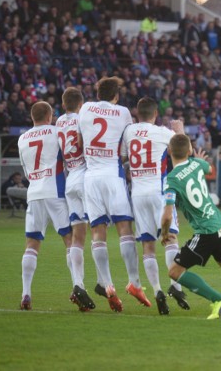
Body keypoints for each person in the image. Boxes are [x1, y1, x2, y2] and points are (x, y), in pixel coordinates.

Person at [161, 134, 221, 319]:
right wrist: (197, 160)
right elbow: (209, 168)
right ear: (190, 150)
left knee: (175, 271)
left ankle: (217, 299)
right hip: (220, 224)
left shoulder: (171, 179)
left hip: (205, 232)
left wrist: (165, 233)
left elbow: (167, 215)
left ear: (168, 151)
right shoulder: (197, 164)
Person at [79, 76, 148, 312]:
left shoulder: (86, 108)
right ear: (116, 96)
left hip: (90, 177)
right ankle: (135, 282)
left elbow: (80, 139)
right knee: (124, 230)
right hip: (112, 175)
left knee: (97, 232)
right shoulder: (123, 113)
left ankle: (107, 285)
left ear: (98, 94)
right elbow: (127, 149)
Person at [120, 97, 189, 315]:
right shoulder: (162, 133)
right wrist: (180, 131)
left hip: (138, 194)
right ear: (155, 115)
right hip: (159, 192)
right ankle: (176, 287)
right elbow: (183, 151)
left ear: (137, 114)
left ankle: (157, 290)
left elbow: (123, 156)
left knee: (147, 246)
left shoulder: (129, 132)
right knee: (170, 240)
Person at [17, 102, 77, 310]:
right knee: (69, 240)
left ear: (32, 117)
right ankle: (77, 287)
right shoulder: (56, 131)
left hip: (34, 193)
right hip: (56, 191)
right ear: (50, 116)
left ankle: (26, 293)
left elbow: (26, 172)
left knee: (32, 244)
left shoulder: (22, 138)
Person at [56, 87, 100, 311]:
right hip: (85, 176)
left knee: (76, 237)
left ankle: (77, 284)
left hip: (70, 179)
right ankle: (105, 282)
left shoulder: (59, 123)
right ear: (81, 104)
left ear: (64, 105)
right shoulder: (84, 118)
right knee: (98, 231)